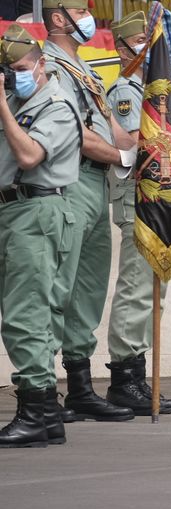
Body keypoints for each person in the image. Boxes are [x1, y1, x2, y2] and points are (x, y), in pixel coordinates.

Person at [41, 0, 136, 422]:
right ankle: (40, 389)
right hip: (72, 181)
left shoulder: (86, 71)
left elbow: (114, 129)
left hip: (98, 186)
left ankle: (79, 385)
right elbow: (79, 134)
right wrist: (125, 156)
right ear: (58, 18)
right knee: (56, 286)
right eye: (80, 11)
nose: (87, 18)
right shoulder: (52, 67)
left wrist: (151, 146)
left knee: (89, 288)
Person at [0, 26, 82, 446]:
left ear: (41, 63)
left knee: (25, 315)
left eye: (20, 68)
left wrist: (2, 105)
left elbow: (30, 155)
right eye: (8, 70)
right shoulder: (17, 101)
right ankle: (47, 414)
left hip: (39, 208)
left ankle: (34, 412)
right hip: (15, 209)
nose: (15, 77)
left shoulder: (58, 105)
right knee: (31, 314)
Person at [102, 11, 171, 415]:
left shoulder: (155, 91)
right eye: (141, 43)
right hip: (137, 196)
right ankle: (124, 377)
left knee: (156, 287)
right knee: (137, 287)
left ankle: (139, 375)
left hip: (157, 198)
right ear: (122, 48)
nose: (149, 52)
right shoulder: (127, 91)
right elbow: (136, 140)